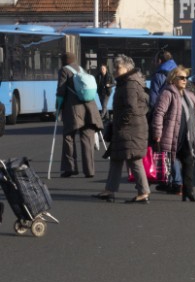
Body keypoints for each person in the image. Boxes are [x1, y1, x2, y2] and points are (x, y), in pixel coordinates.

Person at [92, 55, 151, 204]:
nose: (115, 70)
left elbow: (130, 108)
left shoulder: (130, 83)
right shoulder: (129, 81)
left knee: (133, 160)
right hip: (130, 128)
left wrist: (120, 123)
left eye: (118, 67)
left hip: (129, 129)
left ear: (127, 68)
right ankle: (109, 190)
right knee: (117, 158)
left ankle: (143, 192)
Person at [150, 66, 195, 202]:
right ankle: (154, 187)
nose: (184, 80)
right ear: (173, 79)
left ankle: (188, 191)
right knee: (169, 162)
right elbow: (158, 113)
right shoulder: (167, 94)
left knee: (188, 163)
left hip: (187, 136)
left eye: (186, 78)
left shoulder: (189, 95)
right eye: (181, 77)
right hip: (171, 135)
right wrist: (157, 133)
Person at [57, 52, 103, 178]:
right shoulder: (82, 69)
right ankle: (89, 170)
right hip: (90, 109)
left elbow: (61, 91)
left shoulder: (64, 71)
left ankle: (70, 168)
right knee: (87, 139)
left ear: (63, 61)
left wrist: (58, 108)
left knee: (68, 137)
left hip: (73, 111)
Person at [149, 50, 182, 194]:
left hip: (165, 117)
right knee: (174, 149)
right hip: (179, 116)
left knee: (165, 149)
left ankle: (174, 181)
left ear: (160, 61)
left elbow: (153, 100)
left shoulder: (159, 75)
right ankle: (172, 181)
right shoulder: (178, 72)